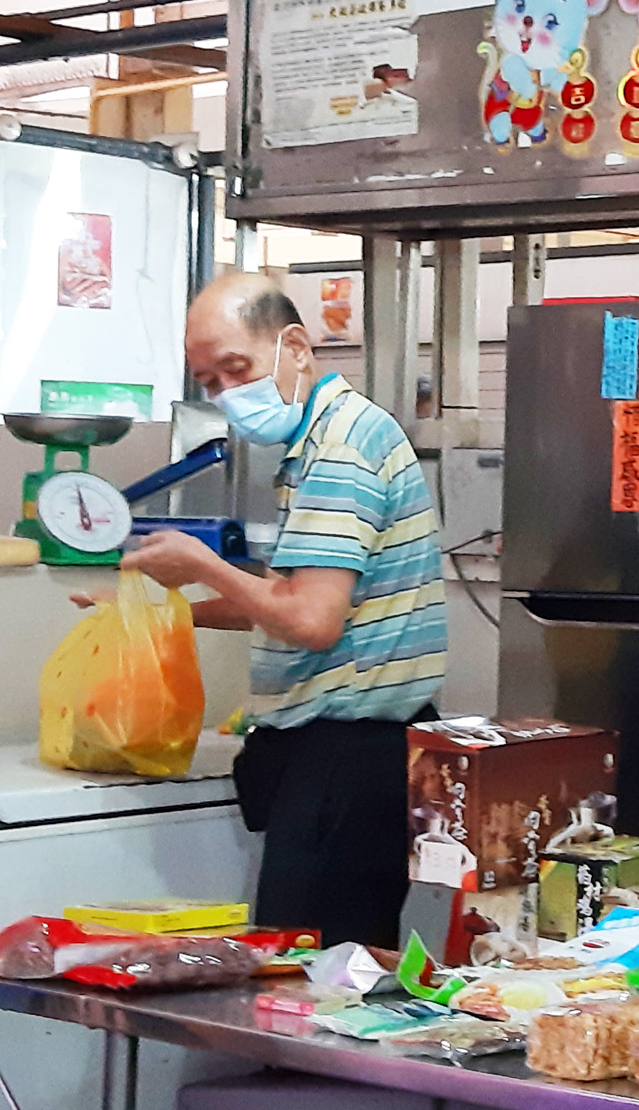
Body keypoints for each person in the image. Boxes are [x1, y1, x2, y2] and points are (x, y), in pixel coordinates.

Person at [107, 271, 446, 946]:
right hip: (347, 757)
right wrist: (161, 613)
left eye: (237, 369)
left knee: (315, 979)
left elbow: (311, 621)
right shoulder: (321, 441)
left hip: (347, 758)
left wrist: (202, 565)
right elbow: (289, 603)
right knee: (332, 968)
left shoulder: (340, 449)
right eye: (210, 383)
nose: (228, 395)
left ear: (294, 346)